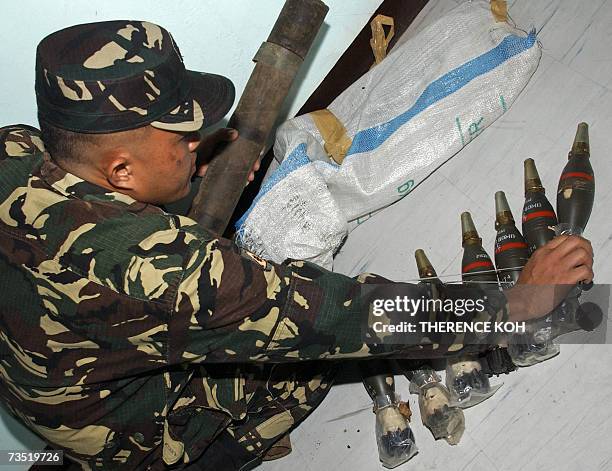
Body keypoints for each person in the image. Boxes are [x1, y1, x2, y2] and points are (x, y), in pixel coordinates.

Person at [0, 20, 593, 471]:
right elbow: (348, 314)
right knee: (308, 353)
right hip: (131, 436)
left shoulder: (15, 151)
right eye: (182, 140)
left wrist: (185, 176)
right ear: (122, 170)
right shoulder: (168, 274)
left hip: (47, 374)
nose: (197, 144)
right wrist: (518, 302)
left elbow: (94, 217)